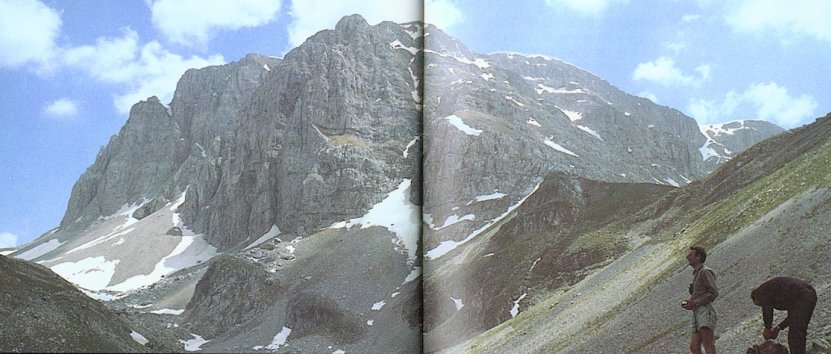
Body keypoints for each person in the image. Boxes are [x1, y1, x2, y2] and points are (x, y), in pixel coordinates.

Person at [751, 277, 817, 354]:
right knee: (798, 332)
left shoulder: (761, 292)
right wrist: (779, 327)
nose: (762, 305)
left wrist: (767, 328)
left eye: (760, 304)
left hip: (801, 295)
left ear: (756, 297)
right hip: (809, 295)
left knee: (795, 335)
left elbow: (767, 309)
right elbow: (793, 316)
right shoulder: (779, 294)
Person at [682, 246, 719, 354]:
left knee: (708, 343)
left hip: (705, 311)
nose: (687, 257)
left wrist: (695, 302)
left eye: (690, 255)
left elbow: (713, 293)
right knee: (694, 346)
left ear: (698, 257)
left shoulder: (705, 271)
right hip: (697, 312)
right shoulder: (697, 273)